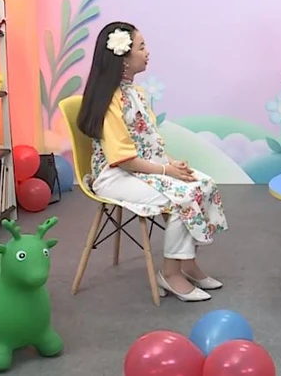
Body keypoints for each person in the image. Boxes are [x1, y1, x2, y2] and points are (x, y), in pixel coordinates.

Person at [76, 21, 228, 302]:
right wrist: (166, 170)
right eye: (141, 47)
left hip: (142, 168)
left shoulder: (137, 93)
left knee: (203, 183)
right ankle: (170, 273)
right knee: (184, 196)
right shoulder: (110, 101)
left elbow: (148, 142)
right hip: (116, 175)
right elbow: (123, 158)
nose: (147, 52)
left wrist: (172, 164)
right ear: (123, 57)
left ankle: (186, 262)